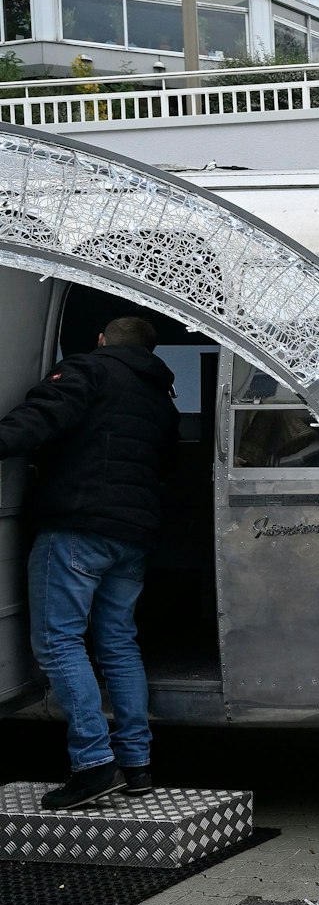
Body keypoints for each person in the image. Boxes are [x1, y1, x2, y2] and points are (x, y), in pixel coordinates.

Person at [0, 317, 180, 811]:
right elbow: (165, 465)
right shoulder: (161, 399)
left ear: (101, 339)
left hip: (78, 526)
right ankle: (136, 766)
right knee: (119, 645)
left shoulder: (88, 370)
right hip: (132, 537)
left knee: (59, 642)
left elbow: (41, 416)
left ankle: (94, 765)